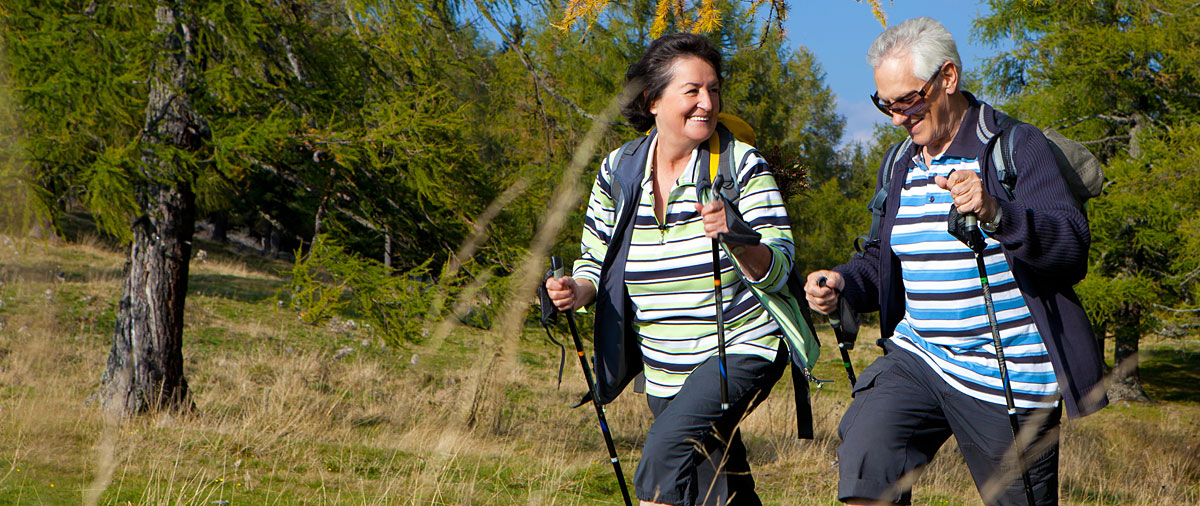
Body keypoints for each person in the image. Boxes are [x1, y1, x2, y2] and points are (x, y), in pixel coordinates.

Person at [804, 17, 1107, 506]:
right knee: (866, 464)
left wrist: (997, 213)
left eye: (908, 100)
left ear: (948, 77)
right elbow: (884, 261)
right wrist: (842, 283)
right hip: (919, 359)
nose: (897, 118)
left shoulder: (1015, 146)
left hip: (1007, 377)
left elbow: (1071, 246)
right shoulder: (899, 164)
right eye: (885, 104)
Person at [545, 33, 796, 506]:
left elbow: (780, 266)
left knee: (662, 459)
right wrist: (574, 290)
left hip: (741, 348)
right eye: (693, 91)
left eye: (714, 90)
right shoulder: (620, 169)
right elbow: (594, 262)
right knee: (716, 487)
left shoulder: (741, 165)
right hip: (663, 366)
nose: (708, 103)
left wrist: (739, 239)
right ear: (653, 100)